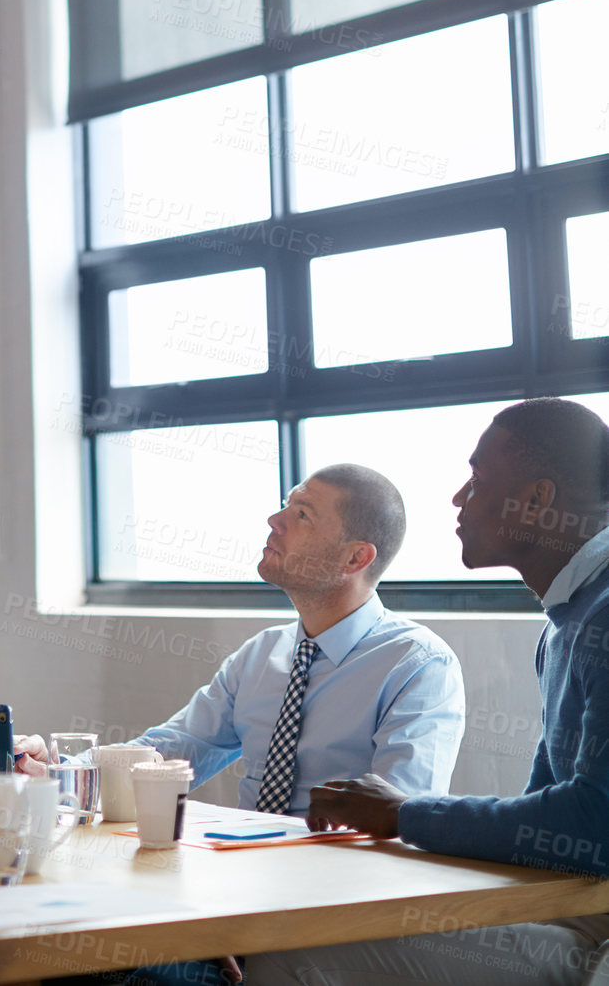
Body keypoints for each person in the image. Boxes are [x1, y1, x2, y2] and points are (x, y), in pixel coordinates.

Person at [18, 465, 466, 986]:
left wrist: (251, 925)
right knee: (49, 944)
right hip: (233, 900)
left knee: (98, 967)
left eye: (301, 515)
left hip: (317, 925)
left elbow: (396, 826)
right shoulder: (261, 655)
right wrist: (58, 768)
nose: (274, 519)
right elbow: (172, 749)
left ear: (356, 557)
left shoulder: (418, 664)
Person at [246, 398, 609, 986]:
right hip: (579, 907)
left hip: (598, 928)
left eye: (479, 481)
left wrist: (405, 813)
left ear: (538, 501)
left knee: (287, 952)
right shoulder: (564, 625)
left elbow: (595, 824)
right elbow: (549, 818)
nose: (459, 499)